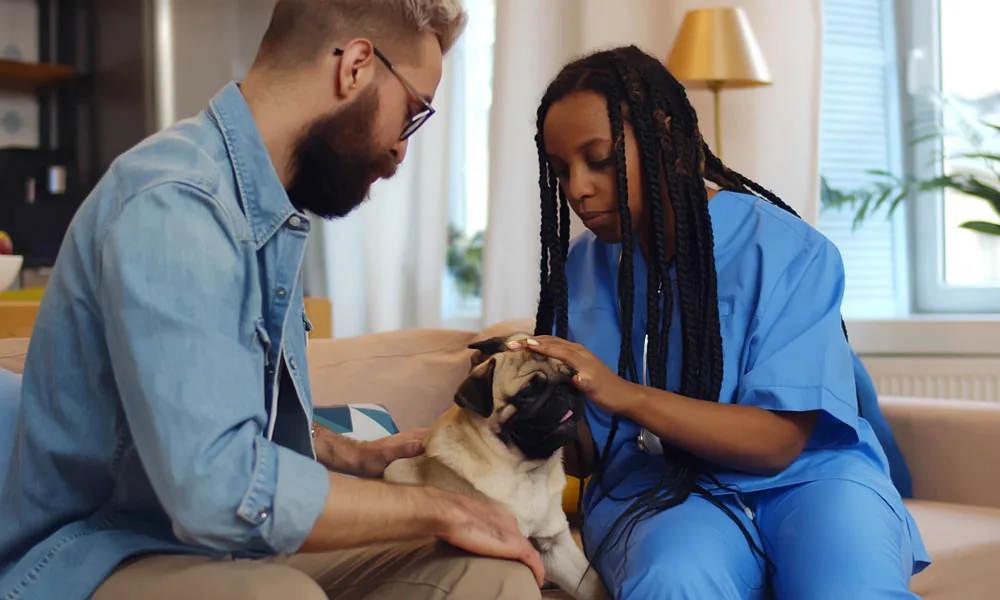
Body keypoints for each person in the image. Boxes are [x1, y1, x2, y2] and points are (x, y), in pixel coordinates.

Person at [0, 2, 546, 599]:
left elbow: (212, 407)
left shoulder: (266, 214)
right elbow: (218, 490)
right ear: (356, 66)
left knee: (487, 574)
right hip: (100, 553)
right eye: (411, 115)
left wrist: (346, 452)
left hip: (225, 550)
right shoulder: (176, 204)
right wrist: (441, 508)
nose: (400, 150)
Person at [509, 45, 932, 599]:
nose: (578, 189)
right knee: (673, 581)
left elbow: (777, 442)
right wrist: (528, 410)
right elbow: (588, 453)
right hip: (660, 490)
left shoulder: (787, 250)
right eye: (562, 170)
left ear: (663, 135)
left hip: (813, 479)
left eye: (601, 159)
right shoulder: (580, 271)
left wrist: (623, 393)